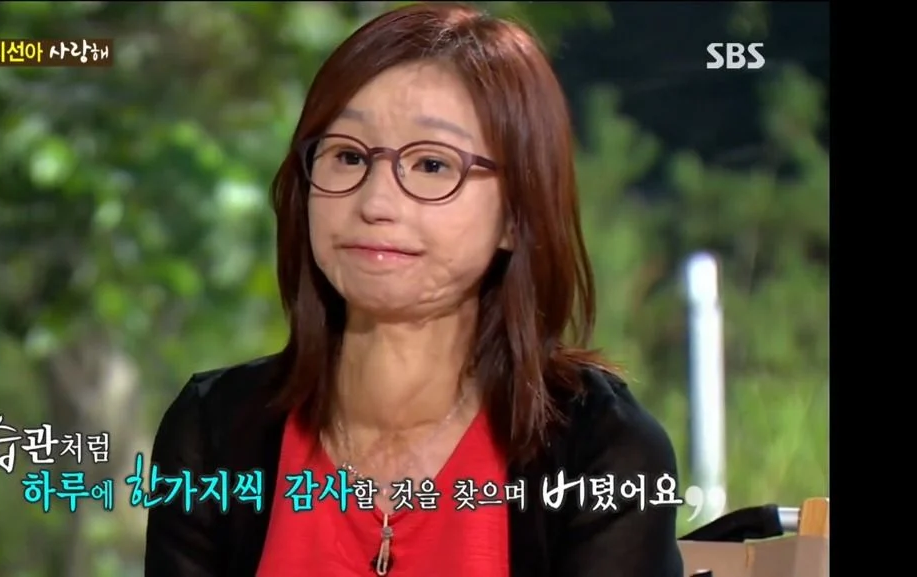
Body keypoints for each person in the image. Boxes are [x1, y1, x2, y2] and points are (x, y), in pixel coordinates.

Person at [144, 3, 683, 576]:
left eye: (431, 165)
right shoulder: (214, 431)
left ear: (516, 215)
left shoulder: (602, 450)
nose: (376, 202)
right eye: (348, 156)